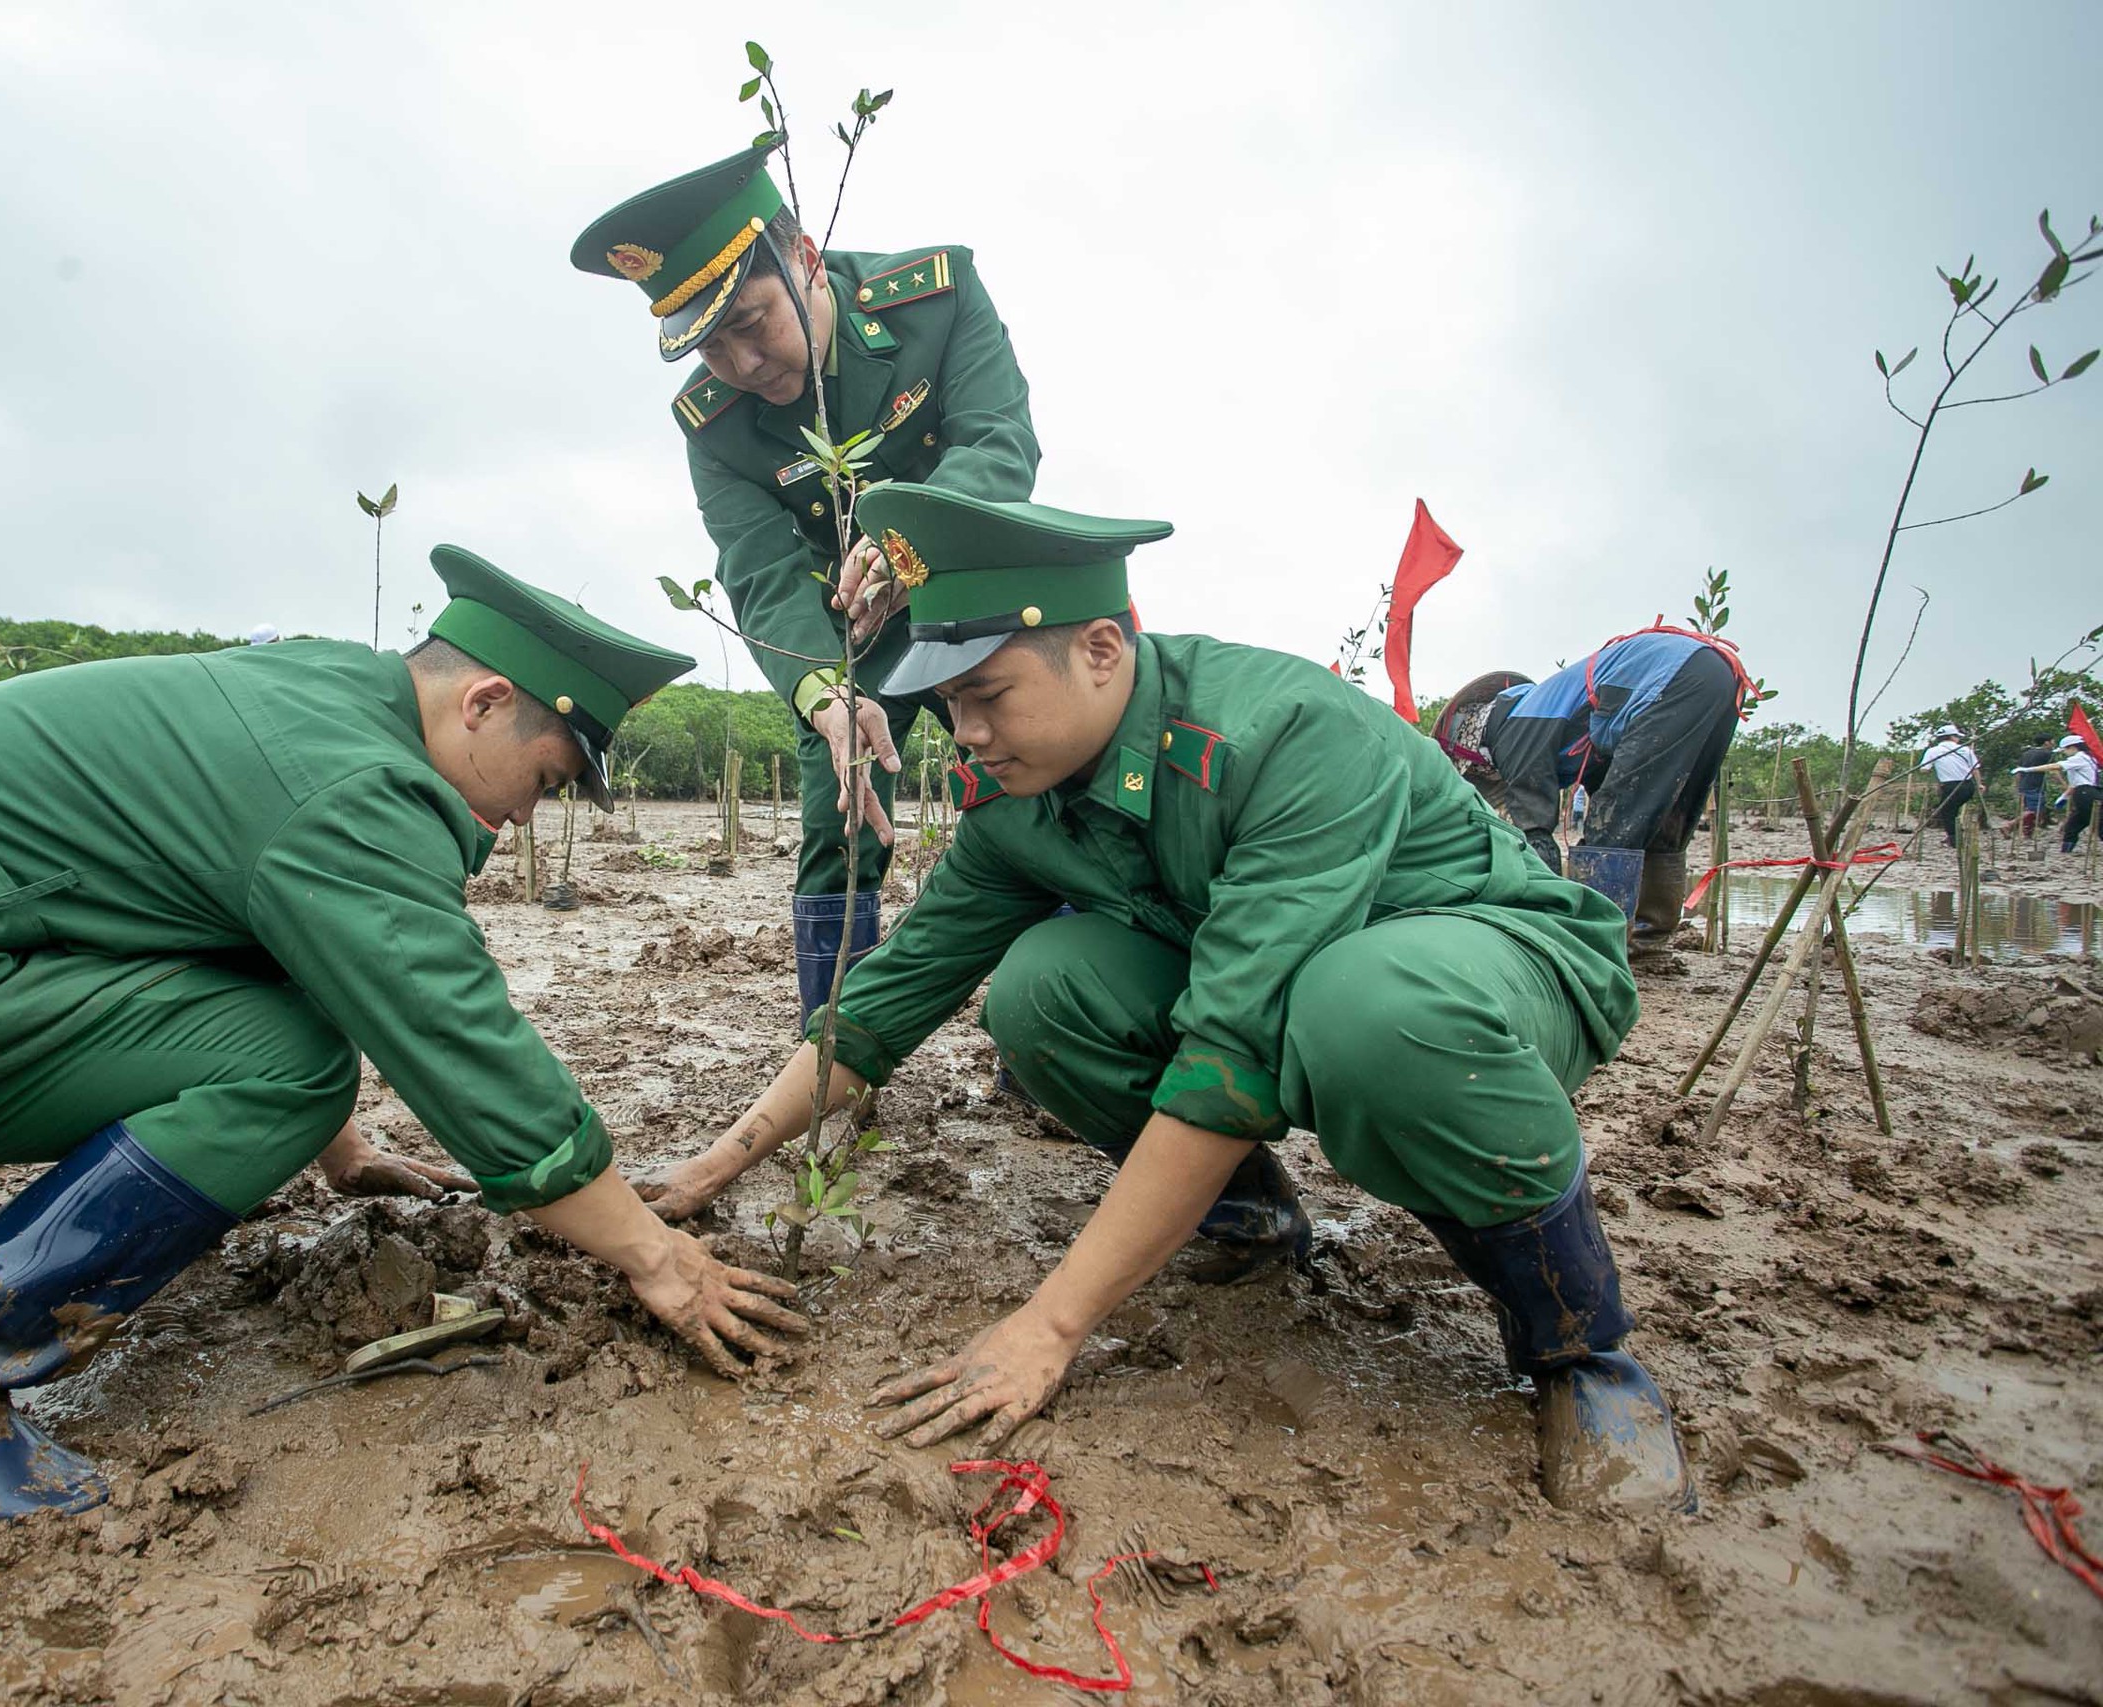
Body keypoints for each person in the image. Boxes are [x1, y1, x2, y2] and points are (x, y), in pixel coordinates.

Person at [0, 549, 805, 1522]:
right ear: (484, 701)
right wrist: (655, 1255)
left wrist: (344, 1156)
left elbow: (244, 933)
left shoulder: (310, 697)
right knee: (285, 1072)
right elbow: (458, 1038)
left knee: (289, 1060)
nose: (524, 815)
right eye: (545, 778)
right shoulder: (348, 782)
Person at [639, 484, 1692, 1515]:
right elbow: (884, 1001)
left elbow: (1227, 1052)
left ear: (1100, 649)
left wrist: (1050, 1327)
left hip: (1483, 964)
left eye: (987, 695)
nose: (964, 732)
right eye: (949, 704)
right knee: (1043, 992)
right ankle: (1247, 1217)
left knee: (1364, 1011)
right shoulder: (1018, 800)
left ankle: (1581, 1348)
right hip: (1295, 982)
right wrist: (717, 1164)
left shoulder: (1277, 731)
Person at [570, 146, 1039, 1026]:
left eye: (752, 322)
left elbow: (1001, 447)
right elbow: (760, 569)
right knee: (839, 814)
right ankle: (835, 1045)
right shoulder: (714, 428)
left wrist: (908, 541)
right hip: (849, 633)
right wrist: (825, 697)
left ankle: (1044, 1032)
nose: (742, 364)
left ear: (808, 261)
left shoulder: (936, 301)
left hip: (980, 596)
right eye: (710, 345)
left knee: (1044, 784)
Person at [1473, 630, 1752, 944]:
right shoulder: (1556, 707)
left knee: (1612, 825)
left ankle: (1593, 944)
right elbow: (1611, 783)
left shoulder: (1517, 724)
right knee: (1667, 820)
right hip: (1716, 676)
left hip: (1674, 676)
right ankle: (1647, 940)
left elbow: (1535, 830)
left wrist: (1542, 912)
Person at [2023, 731, 2100, 853]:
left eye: (2065, 749)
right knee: (2073, 825)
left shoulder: (2079, 758)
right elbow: (2075, 783)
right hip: (2083, 792)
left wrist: (2029, 769)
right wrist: (2064, 797)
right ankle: (2066, 851)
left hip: (2086, 794)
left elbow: (2056, 767)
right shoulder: (2088, 759)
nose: (2064, 752)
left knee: (2099, 822)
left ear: (2073, 747)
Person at [1919, 725, 1981, 848]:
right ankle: (1954, 835)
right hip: (1968, 786)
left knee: (1946, 812)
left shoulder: (1933, 751)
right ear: (1952, 737)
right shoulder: (1966, 750)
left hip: (1950, 786)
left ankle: (1955, 840)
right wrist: (1980, 784)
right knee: (1953, 810)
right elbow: (1975, 769)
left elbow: (1924, 769)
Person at [2011, 735, 2055, 835]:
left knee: (2030, 810)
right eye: (2052, 741)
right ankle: (2010, 826)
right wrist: (2063, 783)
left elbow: (2018, 771)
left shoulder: (2026, 754)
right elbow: (2053, 770)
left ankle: (2027, 832)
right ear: (2046, 742)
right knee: (2034, 810)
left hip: (2024, 784)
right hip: (2035, 785)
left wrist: (2018, 786)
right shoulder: (2046, 754)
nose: (2053, 744)